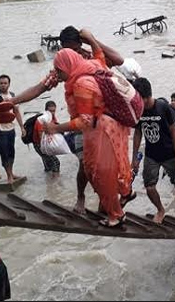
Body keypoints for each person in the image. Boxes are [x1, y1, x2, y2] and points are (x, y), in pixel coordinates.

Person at [9, 27, 125, 215]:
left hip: (102, 121)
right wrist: (12, 101)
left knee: (106, 166)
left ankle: (107, 202)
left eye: (72, 48)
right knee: (85, 166)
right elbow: (39, 88)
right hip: (79, 121)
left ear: (80, 45)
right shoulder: (63, 65)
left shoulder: (91, 58)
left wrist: (92, 39)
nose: (68, 52)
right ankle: (81, 197)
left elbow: (118, 60)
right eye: (65, 48)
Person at [44, 48, 132, 228]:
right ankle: (122, 198)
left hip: (102, 130)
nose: (58, 75)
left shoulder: (80, 83)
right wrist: (91, 40)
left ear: (68, 66)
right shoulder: (90, 66)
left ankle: (115, 215)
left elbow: (85, 121)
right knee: (97, 169)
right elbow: (100, 57)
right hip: (109, 127)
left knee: (99, 173)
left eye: (59, 70)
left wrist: (56, 128)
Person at [132, 78, 175, 228]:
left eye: (139, 99)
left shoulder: (163, 107)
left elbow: (174, 133)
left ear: (146, 96)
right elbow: (138, 133)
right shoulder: (138, 109)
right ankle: (160, 209)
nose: (138, 102)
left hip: (170, 154)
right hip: (151, 155)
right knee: (149, 186)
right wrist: (134, 158)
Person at [0, 75, 25, 184]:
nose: (3, 85)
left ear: (9, 84)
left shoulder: (13, 96)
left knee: (11, 152)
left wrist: (22, 127)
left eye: (5, 83)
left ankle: (11, 172)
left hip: (10, 128)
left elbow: (16, 112)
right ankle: (9, 175)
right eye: (1, 83)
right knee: (4, 153)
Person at [32, 101, 61, 177]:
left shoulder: (52, 117)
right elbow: (41, 137)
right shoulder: (41, 120)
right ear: (46, 111)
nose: (52, 113)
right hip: (40, 145)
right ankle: (55, 184)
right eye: (50, 111)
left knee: (48, 167)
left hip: (44, 143)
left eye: (54, 111)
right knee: (56, 163)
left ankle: (49, 185)